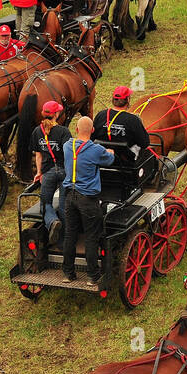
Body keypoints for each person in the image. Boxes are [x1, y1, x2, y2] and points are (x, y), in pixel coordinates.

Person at [61, 116, 116, 281]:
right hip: (87, 199)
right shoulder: (96, 149)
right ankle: (93, 275)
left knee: (70, 235)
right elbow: (110, 160)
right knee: (91, 237)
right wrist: (110, 152)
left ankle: (68, 273)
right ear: (92, 131)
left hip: (69, 196)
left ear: (76, 130)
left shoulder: (66, 146)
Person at [33, 100, 71, 227]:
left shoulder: (37, 131)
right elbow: (69, 155)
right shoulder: (64, 131)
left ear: (43, 113)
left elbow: (38, 155)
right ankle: (65, 238)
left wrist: (39, 172)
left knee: (45, 204)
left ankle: (52, 222)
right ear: (56, 114)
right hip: (64, 171)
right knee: (63, 206)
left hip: (47, 172)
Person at [92, 86, 152, 157]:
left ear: (113, 99)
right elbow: (144, 143)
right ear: (128, 99)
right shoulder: (133, 119)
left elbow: (92, 137)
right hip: (126, 161)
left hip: (102, 158)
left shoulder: (100, 115)